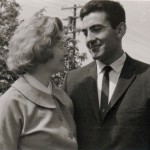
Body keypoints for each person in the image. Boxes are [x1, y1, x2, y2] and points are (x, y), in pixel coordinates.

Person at [62, 0, 150, 150]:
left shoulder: (147, 77)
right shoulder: (72, 81)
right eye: (85, 32)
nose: (89, 39)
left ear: (120, 30)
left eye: (96, 29)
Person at [0, 15, 77, 150]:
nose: (66, 52)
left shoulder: (64, 100)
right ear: (40, 48)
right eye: (60, 46)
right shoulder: (11, 103)